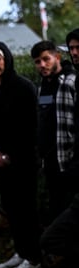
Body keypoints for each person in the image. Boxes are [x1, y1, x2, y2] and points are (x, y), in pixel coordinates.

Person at [0, 42, 42, 268]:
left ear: (7, 60)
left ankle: (34, 257)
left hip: (23, 161)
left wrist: (10, 155)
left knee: (27, 209)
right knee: (12, 209)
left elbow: (31, 128)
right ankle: (21, 251)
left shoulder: (24, 87)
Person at [30, 40, 79, 223]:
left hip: (70, 162)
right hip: (50, 164)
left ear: (57, 57)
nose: (42, 65)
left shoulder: (72, 81)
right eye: (37, 61)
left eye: (46, 59)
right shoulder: (42, 87)